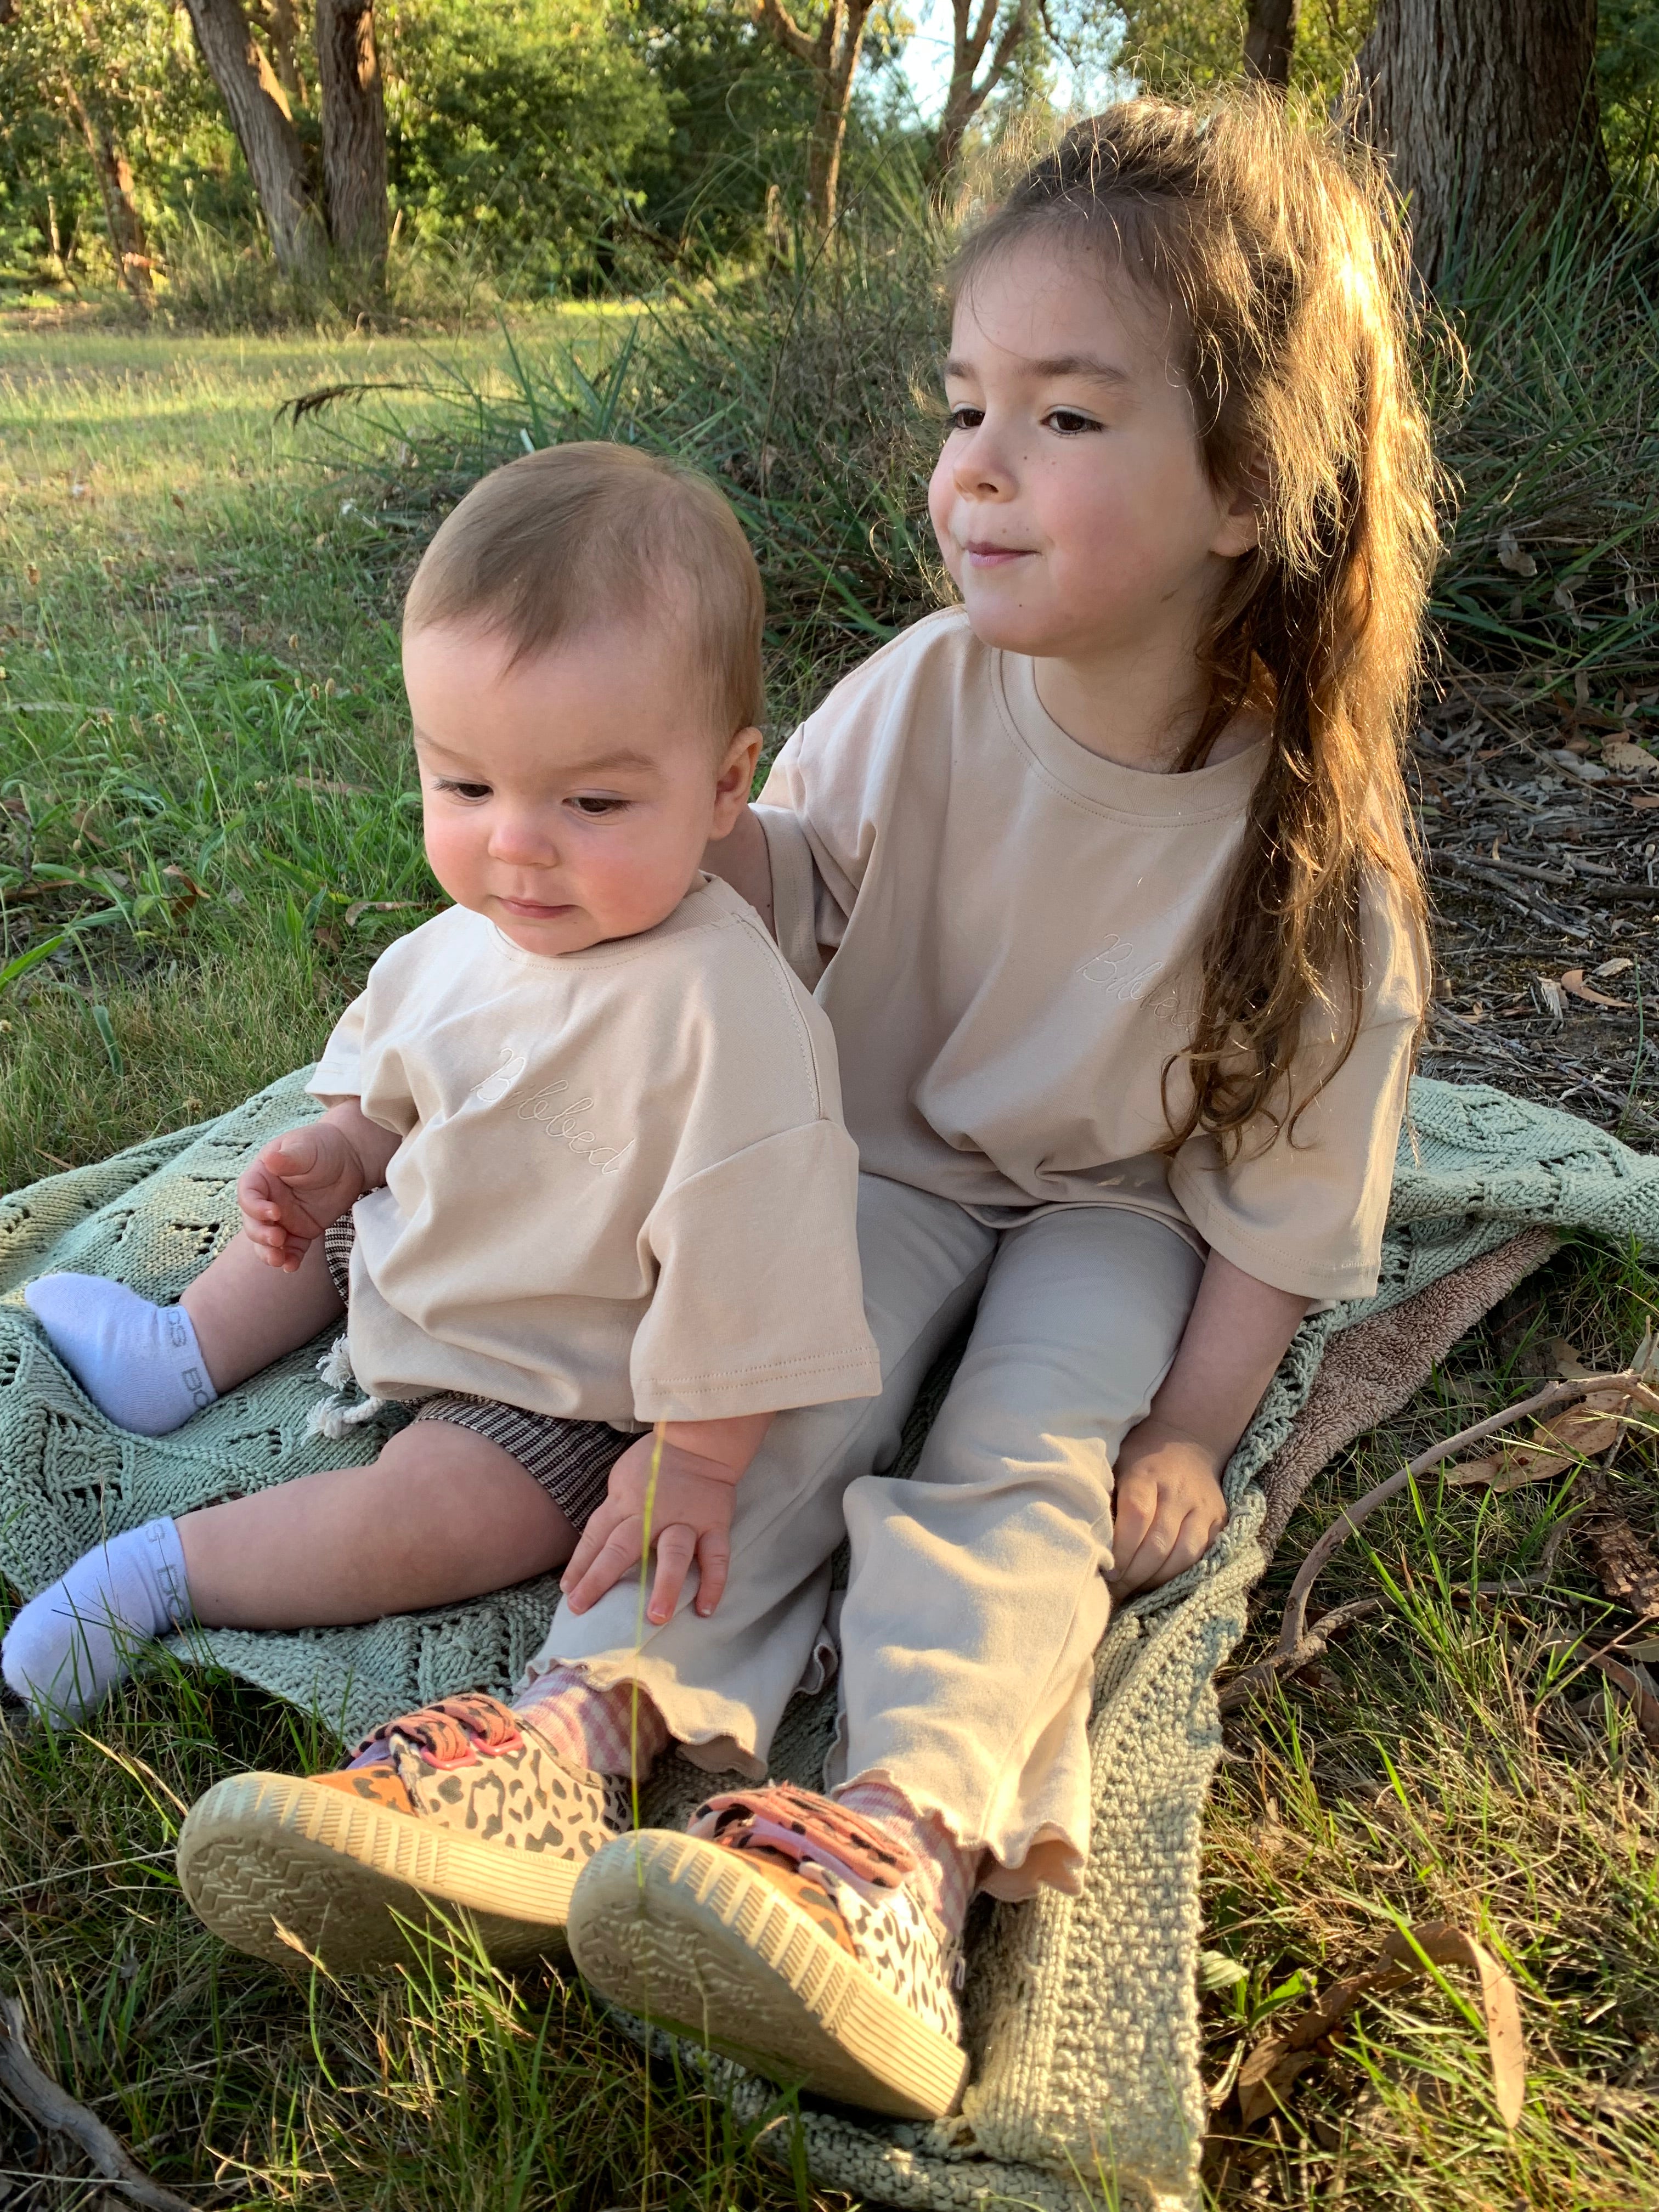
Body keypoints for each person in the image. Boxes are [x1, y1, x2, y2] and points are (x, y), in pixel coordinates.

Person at [176, 91, 1436, 2115]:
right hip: (873, 1147)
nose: (978, 472)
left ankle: (894, 1859)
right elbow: (773, 874)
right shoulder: (927, 689)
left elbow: (1280, 1195)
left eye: (1066, 417)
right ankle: (570, 1739)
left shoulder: (1313, 855)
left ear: (1247, 486)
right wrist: (617, 830)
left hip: (1117, 1220)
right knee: (748, 1407)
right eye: (964, 408)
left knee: (1021, 1467)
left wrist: (1194, 1426)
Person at [4, 442, 881, 1818]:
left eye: (592, 803)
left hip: (546, 1380)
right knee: (303, 1215)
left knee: (433, 1523)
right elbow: (392, 1075)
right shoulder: (475, 932)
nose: (518, 848)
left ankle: (166, 1570)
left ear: (724, 787)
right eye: (467, 789)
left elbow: (751, 1263)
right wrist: (346, 1149)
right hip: (422, 1235)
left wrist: (697, 1462)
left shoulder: (729, 1016)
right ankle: (187, 1349)